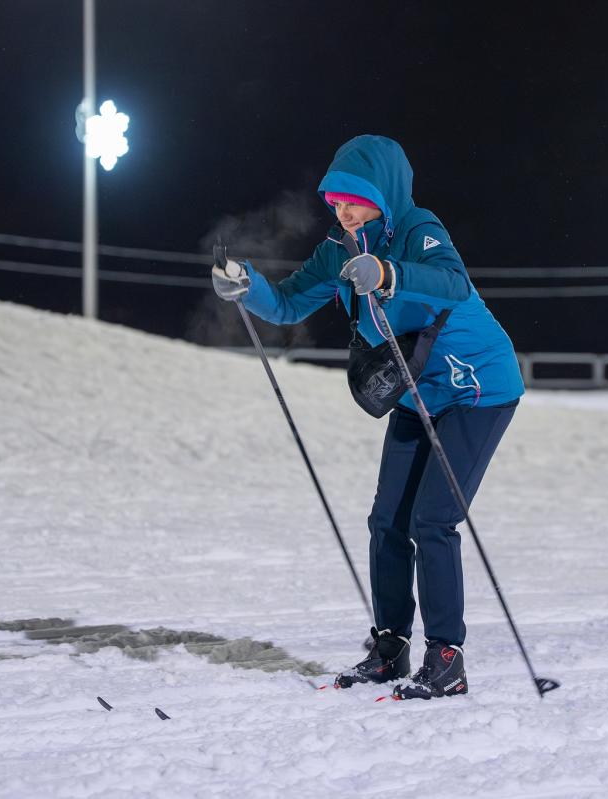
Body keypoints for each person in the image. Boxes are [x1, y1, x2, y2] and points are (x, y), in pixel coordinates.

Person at [211, 134, 524, 700]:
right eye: (335, 200)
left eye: (354, 200)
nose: (343, 210)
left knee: (433, 521)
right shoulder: (338, 249)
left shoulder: (419, 230)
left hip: (477, 389)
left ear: (384, 194)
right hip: (416, 394)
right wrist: (246, 286)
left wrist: (387, 272)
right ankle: (389, 649)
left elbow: (453, 284)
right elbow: (288, 303)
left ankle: (446, 658)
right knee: (387, 522)